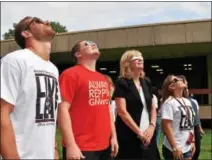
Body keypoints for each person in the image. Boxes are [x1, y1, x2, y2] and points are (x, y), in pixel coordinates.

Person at [0, 16, 61, 159]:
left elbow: (49, 115)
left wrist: (55, 150)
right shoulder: (14, 61)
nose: (47, 21)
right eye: (38, 20)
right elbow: (2, 114)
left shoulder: (53, 69)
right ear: (26, 33)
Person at [58, 40, 118, 160]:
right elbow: (62, 110)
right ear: (78, 54)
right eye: (86, 44)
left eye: (94, 43)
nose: (92, 44)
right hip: (81, 146)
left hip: (105, 145)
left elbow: (107, 109)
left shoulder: (103, 79)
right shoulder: (70, 74)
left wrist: (114, 137)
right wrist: (70, 144)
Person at [113, 50, 160, 159]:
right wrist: (139, 133)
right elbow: (122, 111)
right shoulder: (122, 82)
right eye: (135, 57)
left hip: (149, 133)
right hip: (128, 135)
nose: (139, 59)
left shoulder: (146, 81)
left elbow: (152, 106)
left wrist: (152, 126)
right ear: (127, 63)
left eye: (141, 57)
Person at [161, 75, 195, 160]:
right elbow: (166, 126)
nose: (181, 79)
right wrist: (175, 147)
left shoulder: (187, 101)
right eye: (176, 80)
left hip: (186, 146)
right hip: (174, 148)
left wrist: (192, 141)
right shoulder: (169, 103)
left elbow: (190, 123)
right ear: (172, 87)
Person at [178, 75, 205, 160]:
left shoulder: (192, 101)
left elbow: (196, 116)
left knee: (197, 150)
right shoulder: (179, 101)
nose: (187, 82)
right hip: (188, 128)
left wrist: (199, 127)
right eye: (185, 81)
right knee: (190, 152)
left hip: (195, 127)